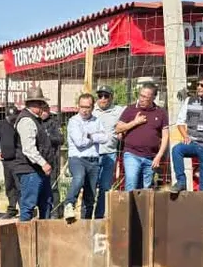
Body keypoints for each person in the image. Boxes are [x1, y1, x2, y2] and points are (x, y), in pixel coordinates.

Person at [8, 86, 54, 221]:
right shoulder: (26, 121)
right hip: (29, 170)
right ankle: (24, 232)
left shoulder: (35, 119)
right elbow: (28, 149)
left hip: (37, 170)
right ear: (34, 104)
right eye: (41, 104)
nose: (43, 107)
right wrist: (43, 163)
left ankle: (43, 231)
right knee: (28, 205)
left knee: (46, 203)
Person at [115, 82, 169, 190]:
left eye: (145, 97)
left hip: (150, 157)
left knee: (146, 189)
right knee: (131, 182)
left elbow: (165, 136)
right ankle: (129, 201)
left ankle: (141, 202)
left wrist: (159, 156)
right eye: (140, 95)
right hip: (132, 154)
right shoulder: (130, 109)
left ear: (153, 98)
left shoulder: (161, 113)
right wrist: (135, 122)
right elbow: (118, 129)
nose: (141, 99)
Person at [63, 93, 108, 221]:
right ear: (78, 106)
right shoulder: (74, 121)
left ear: (92, 107)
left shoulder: (97, 121)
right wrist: (94, 137)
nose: (84, 110)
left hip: (93, 160)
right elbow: (79, 142)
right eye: (82, 106)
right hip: (77, 158)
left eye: (87, 107)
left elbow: (105, 138)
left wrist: (89, 136)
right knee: (79, 178)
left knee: (90, 195)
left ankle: (86, 221)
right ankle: (69, 204)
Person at [92, 85, 124, 218]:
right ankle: (86, 216)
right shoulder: (91, 110)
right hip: (92, 154)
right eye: (100, 96)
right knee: (90, 187)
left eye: (106, 96)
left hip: (110, 154)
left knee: (105, 188)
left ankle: (99, 216)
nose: (103, 99)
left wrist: (122, 130)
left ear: (111, 97)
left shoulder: (119, 110)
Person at [0, 107, 21, 217]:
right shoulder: (1, 125)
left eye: (14, 117)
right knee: (9, 186)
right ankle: (12, 209)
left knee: (19, 186)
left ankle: (24, 210)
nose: (12, 119)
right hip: (6, 161)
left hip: (17, 160)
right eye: (10, 117)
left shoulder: (19, 125)